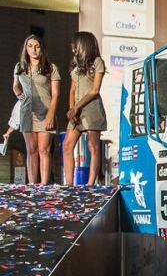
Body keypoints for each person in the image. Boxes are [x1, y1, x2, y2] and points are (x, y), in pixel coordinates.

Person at [12, 35, 60, 184]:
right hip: (27, 113)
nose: (33, 49)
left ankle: (44, 185)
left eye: (37, 46)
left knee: (43, 150)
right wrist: (20, 95)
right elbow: (15, 86)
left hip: (45, 112)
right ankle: (32, 185)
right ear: (26, 48)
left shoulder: (51, 68)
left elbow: (56, 94)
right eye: (30, 46)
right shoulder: (19, 67)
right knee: (31, 150)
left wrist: (51, 114)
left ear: (41, 48)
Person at [62, 32, 106, 185]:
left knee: (92, 145)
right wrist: (71, 109)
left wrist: (76, 107)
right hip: (76, 111)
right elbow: (72, 90)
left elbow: (95, 90)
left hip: (91, 108)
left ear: (83, 44)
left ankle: (90, 183)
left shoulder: (97, 62)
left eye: (75, 44)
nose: (72, 47)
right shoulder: (75, 64)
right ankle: (68, 183)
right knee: (67, 144)